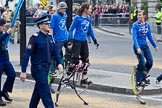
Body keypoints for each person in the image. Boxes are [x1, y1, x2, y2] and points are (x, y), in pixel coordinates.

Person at [20, 16, 63, 108]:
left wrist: (59, 63)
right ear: (40, 26)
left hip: (46, 68)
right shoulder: (35, 38)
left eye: (48, 23)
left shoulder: (49, 37)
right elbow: (27, 55)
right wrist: (23, 71)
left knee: (38, 91)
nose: (49, 25)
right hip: (38, 69)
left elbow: (55, 52)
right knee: (46, 93)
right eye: (46, 24)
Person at [67, 3, 99, 85]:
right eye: (90, 9)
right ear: (85, 9)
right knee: (74, 62)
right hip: (77, 41)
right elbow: (71, 29)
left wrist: (95, 40)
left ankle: (83, 79)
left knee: (86, 61)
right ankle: (66, 78)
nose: (91, 10)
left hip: (84, 42)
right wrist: (70, 41)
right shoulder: (77, 18)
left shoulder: (89, 18)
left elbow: (90, 30)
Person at [132, 10, 158, 87]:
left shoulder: (147, 25)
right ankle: (138, 81)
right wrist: (137, 47)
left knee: (150, 62)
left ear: (144, 16)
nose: (139, 16)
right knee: (142, 62)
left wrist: (155, 45)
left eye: (140, 15)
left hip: (145, 46)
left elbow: (149, 36)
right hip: (138, 46)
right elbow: (134, 38)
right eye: (138, 15)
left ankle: (142, 76)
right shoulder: (135, 25)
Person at [49, 2, 69, 90]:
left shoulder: (65, 15)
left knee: (69, 53)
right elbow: (51, 28)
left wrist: (67, 34)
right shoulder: (55, 16)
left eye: (65, 9)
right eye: (62, 9)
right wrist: (51, 38)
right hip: (57, 39)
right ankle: (52, 73)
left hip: (65, 37)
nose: (64, 10)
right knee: (54, 57)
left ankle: (66, 71)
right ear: (59, 9)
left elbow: (64, 25)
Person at [0, 18, 15, 106]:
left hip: (5, 58)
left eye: (4, 26)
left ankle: (4, 91)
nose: (3, 27)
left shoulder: (3, 33)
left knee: (12, 74)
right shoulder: (3, 34)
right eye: (2, 26)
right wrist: (7, 33)